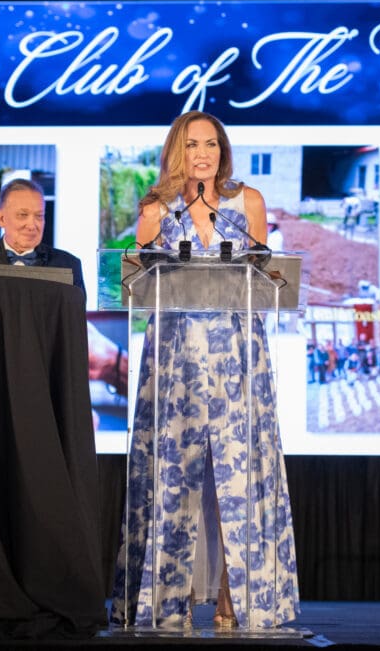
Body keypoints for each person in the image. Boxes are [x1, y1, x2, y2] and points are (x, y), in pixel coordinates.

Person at [109, 110, 299, 630]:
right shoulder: (156, 208)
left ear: (222, 150)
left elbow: (268, 278)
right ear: (177, 150)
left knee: (231, 473)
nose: (203, 154)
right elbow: (133, 284)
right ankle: (168, 598)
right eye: (193, 144)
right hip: (176, 356)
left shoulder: (247, 202)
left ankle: (234, 593)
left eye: (212, 144)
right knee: (178, 473)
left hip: (238, 353)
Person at [0, 178, 85, 297]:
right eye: (23, 215)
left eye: (39, 216)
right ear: (1, 219)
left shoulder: (69, 265)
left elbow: (75, 318)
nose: (32, 225)